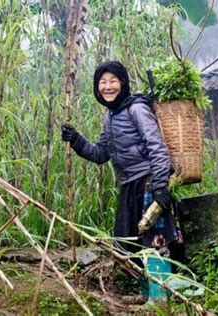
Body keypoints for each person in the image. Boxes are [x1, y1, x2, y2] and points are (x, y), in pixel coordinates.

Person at [61, 61, 178, 256]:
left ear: (123, 82)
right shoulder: (110, 117)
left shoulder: (137, 109)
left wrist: (159, 186)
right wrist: (76, 140)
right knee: (130, 247)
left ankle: (162, 285)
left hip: (148, 183)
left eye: (113, 81)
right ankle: (145, 286)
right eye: (102, 82)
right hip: (129, 187)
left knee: (156, 245)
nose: (107, 87)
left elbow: (156, 145)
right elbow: (100, 154)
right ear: (97, 88)